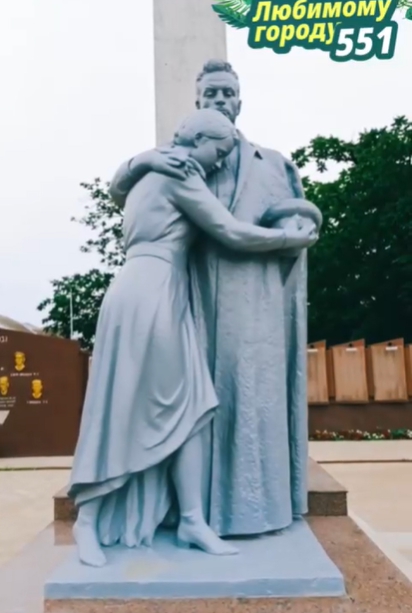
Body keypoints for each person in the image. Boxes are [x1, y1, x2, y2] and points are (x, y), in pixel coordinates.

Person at [69, 108, 317, 568]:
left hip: (148, 292)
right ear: (198, 140)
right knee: (129, 407)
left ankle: (191, 520)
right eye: (218, 152)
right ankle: (89, 520)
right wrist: (289, 239)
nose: (219, 162)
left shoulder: (148, 172)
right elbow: (230, 231)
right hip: (154, 294)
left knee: (192, 408)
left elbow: (117, 184)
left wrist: (140, 159)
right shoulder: (179, 173)